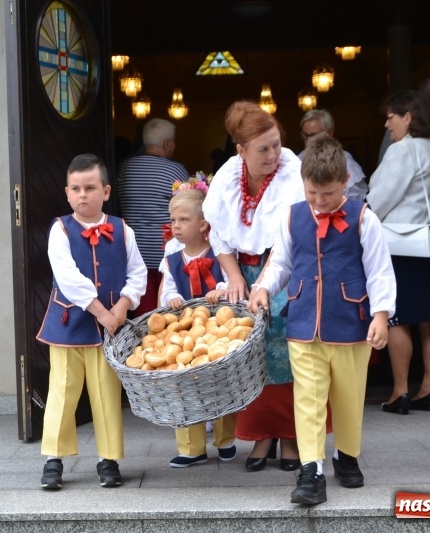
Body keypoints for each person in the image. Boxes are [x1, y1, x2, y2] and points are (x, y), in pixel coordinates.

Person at [249, 135, 396, 505]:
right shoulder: (292, 216)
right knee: (308, 397)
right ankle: (311, 470)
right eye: (312, 192)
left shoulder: (364, 218)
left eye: (328, 193)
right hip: (302, 323)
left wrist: (381, 314)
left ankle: (346, 455)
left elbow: (380, 270)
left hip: (350, 323)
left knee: (349, 396)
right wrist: (263, 287)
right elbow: (281, 262)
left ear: (345, 181)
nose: (319, 201)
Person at [35, 154, 147, 491]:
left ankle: (108, 459)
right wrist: (102, 312)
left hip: (110, 328)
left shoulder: (123, 229)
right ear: (67, 193)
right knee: (62, 390)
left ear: (106, 191)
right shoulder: (60, 229)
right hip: (68, 323)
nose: (82, 194)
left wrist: (123, 306)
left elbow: (137, 273)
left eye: (90, 187)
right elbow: (68, 277)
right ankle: (54, 458)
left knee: (106, 392)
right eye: (76, 189)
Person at [202, 100, 303, 472]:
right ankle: (263, 434)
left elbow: (286, 240)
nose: (274, 154)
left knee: (284, 343)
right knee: (249, 346)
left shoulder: (292, 171)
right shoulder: (229, 175)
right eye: (263, 149)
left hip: (284, 267)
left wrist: (263, 284)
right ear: (241, 150)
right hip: (242, 270)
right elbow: (218, 234)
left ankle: (291, 436)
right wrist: (234, 277)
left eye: (277, 144)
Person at [366, 90, 430, 415]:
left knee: (397, 319)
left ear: (408, 117)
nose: (387, 123)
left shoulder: (402, 149)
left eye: (391, 116)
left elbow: (380, 200)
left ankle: (400, 391)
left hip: (402, 245)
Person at [157, 188, 236, 467]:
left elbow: (231, 280)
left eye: (183, 220)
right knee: (183, 386)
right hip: (185, 332)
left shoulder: (220, 253)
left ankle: (226, 439)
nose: (176, 226)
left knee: (222, 381)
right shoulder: (172, 259)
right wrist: (171, 298)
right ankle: (192, 448)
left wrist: (221, 289)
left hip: (216, 330)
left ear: (203, 225)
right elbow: (167, 290)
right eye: (173, 220)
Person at [118, 118, 190, 316]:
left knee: (144, 316)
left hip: (133, 253)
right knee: (171, 313)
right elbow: (189, 206)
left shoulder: (124, 168)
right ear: (167, 144)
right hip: (165, 253)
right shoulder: (175, 170)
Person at [298, 109, 368, 201]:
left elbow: (355, 201)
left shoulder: (345, 161)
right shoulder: (298, 160)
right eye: (305, 135)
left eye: (313, 135)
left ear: (329, 133)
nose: (308, 141)